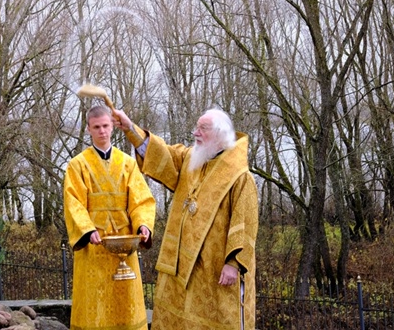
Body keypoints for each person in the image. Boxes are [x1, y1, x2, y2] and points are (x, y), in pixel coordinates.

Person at [113, 106, 258, 330]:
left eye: (203, 128)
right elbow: (162, 155)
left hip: (215, 269)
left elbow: (246, 224)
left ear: (220, 134)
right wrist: (130, 128)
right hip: (179, 265)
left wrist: (233, 264)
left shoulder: (240, 176)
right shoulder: (193, 158)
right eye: (196, 127)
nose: (195, 133)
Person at [64, 102, 156, 330]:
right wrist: (87, 229)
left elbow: (141, 200)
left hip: (125, 244)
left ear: (113, 126)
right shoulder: (77, 165)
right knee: (95, 305)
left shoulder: (128, 163)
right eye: (96, 127)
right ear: (88, 129)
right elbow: (74, 203)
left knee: (126, 304)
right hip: (94, 246)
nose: (102, 131)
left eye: (105, 126)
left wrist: (143, 225)